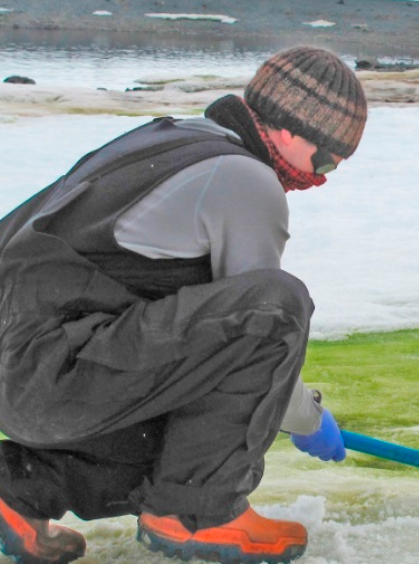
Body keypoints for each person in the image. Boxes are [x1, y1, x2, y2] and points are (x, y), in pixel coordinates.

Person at [0, 46, 368, 564]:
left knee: (181, 437)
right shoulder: (245, 179)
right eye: (327, 158)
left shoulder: (173, 139)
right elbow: (260, 331)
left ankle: (19, 490)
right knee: (280, 305)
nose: (323, 176)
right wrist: (308, 418)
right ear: (289, 129)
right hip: (57, 370)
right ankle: (198, 514)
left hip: (28, 372)